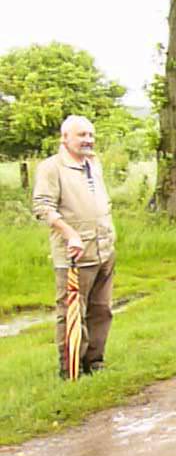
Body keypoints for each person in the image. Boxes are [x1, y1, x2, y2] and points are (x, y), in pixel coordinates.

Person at [32, 115, 116, 378]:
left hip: (104, 248)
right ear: (64, 137)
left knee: (102, 309)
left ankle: (95, 362)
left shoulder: (94, 163)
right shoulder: (51, 167)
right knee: (71, 312)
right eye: (81, 135)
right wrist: (70, 234)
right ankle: (70, 369)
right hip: (75, 255)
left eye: (90, 135)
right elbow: (42, 207)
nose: (88, 140)